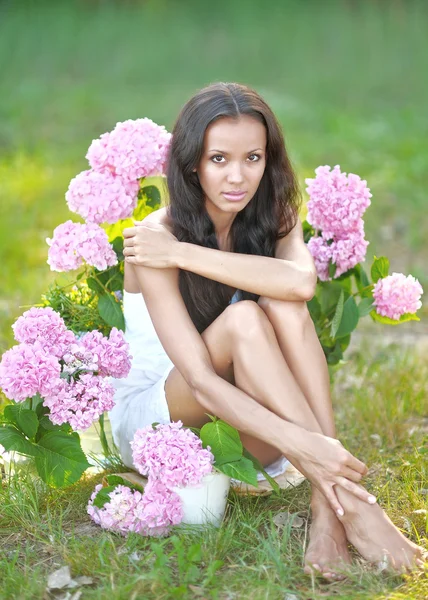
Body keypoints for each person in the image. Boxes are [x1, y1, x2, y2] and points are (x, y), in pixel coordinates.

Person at [108, 82, 425, 578]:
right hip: (160, 424)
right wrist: (305, 447)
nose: (238, 176)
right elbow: (200, 382)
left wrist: (184, 255)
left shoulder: (271, 214)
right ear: (192, 162)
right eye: (219, 160)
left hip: (239, 421)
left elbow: (299, 283)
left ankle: (327, 511)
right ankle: (351, 505)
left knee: (282, 306)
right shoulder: (154, 239)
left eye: (253, 157)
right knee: (243, 320)